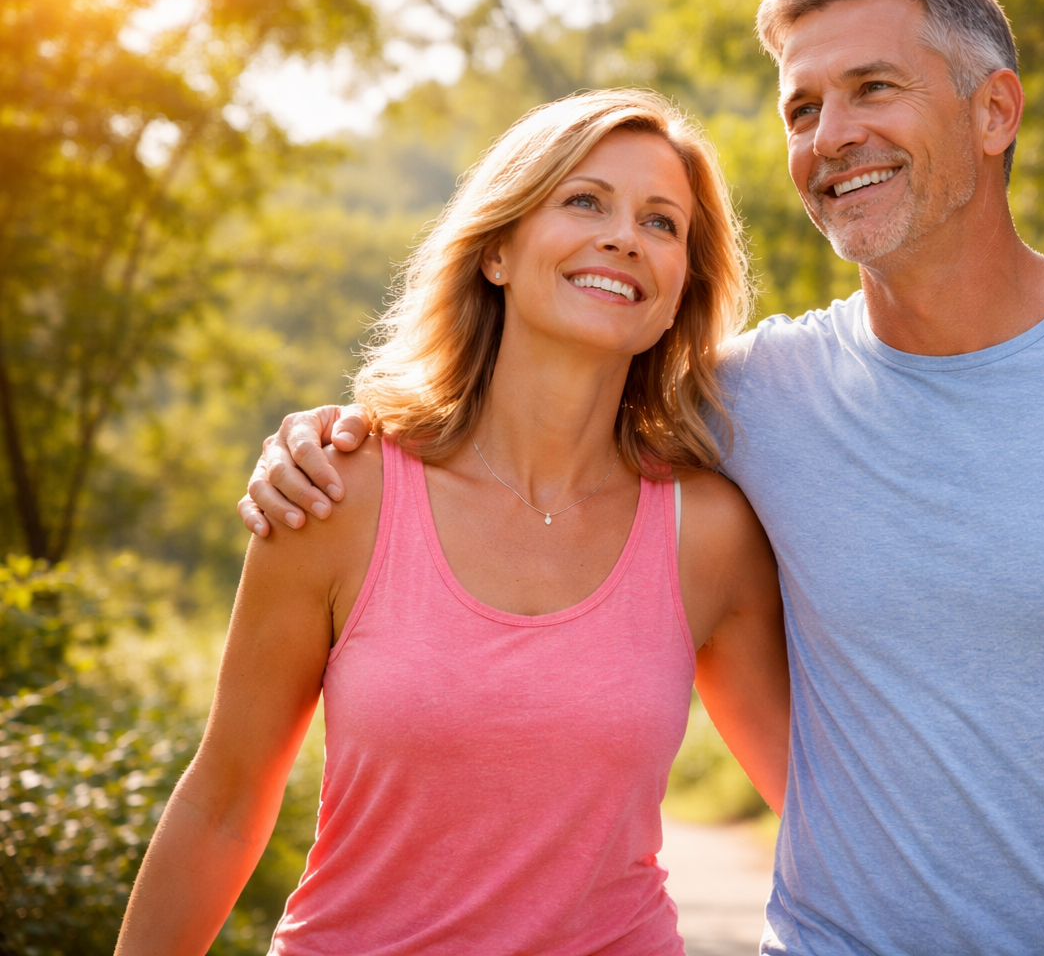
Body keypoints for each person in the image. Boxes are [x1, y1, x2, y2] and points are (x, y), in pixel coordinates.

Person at [240, 0, 1044, 956]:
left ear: (994, 111)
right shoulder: (748, 397)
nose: (831, 134)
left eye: (873, 88)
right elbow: (528, 416)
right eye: (803, 108)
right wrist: (330, 433)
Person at [117, 89, 790, 956]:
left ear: (674, 299)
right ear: (499, 250)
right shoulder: (339, 492)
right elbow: (223, 803)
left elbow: (826, 815)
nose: (624, 235)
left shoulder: (708, 533)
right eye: (584, 200)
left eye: (662, 223)